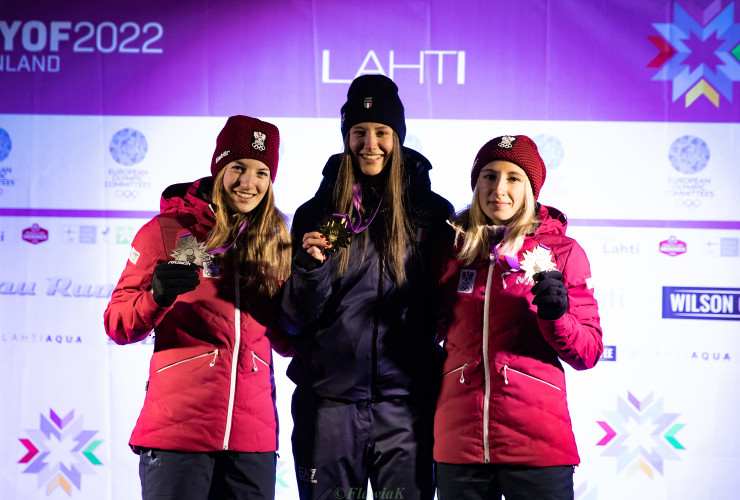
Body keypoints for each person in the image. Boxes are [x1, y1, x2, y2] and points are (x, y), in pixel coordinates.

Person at [279, 75, 453, 500]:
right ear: (346, 137)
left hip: (407, 405)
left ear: (398, 136)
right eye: (359, 132)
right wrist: (307, 269)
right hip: (329, 404)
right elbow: (294, 319)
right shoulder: (318, 212)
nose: (369, 144)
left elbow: (449, 303)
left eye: (381, 132)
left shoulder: (431, 213)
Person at [104, 115, 292, 500]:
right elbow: (117, 323)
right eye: (238, 168)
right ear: (219, 167)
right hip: (178, 435)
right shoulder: (169, 231)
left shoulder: (276, 241)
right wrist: (155, 298)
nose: (248, 183)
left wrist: (311, 291)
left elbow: (287, 339)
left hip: (251, 442)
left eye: (261, 173)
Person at [432, 135, 603, 500]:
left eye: (513, 178)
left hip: (537, 445)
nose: (499, 189)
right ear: (476, 184)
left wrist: (556, 316)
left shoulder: (562, 252)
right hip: (459, 444)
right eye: (489, 176)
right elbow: (430, 332)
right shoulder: (453, 251)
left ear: (531, 189)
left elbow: (587, 353)